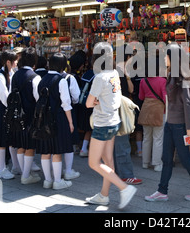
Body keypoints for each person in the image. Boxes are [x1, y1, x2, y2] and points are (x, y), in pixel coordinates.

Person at [145, 43, 190, 202]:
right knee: (166, 159)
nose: (164, 59)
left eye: (166, 56)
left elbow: (187, 102)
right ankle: (162, 191)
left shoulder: (181, 75)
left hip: (180, 126)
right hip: (170, 124)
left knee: (185, 159)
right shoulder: (172, 74)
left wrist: (189, 129)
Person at [85, 42, 137, 209]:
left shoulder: (100, 77)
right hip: (114, 121)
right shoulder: (114, 72)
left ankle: (124, 188)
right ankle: (104, 195)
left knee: (93, 163)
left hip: (102, 123)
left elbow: (87, 103)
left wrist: (97, 101)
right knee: (108, 161)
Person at [36, 53, 75, 190]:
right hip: (58, 118)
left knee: (46, 150)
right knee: (57, 151)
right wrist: (70, 122)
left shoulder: (41, 79)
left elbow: (38, 100)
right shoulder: (61, 80)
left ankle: (47, 180)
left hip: (43, 118)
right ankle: (57, 181)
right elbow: (66, 103)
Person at [10, 47, 42, 185]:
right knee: (30, 146)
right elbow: (38, 97)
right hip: (30, 114)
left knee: (20, 145)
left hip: (17, 114)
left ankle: (24, 172)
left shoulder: (15, 75)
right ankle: (25, 175)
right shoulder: (35, 77)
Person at [115, 50, 143, 185]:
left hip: (116, 110)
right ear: (127, 57)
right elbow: (130, 91)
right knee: (122, 143)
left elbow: (131, 90)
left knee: (116, 143)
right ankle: (126, 175)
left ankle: (115, 172)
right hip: (120, 110)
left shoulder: (118, 71)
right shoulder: (118, 72)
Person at [0, 50, 20, 179]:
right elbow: (5, 98)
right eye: (15, 61)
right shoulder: (0, 76)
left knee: (12, 139)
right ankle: (2, 169)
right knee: (2, 140)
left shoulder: (12, 73)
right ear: (8, 62)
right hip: (4, 110)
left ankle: (15, 166)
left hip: (11, 110)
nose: (16, 63)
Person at [138, 57, 166, 172]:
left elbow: (141, 97)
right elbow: (165, 97)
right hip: (158, 111)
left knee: (146, 137)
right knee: (158, 138)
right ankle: (157, 163)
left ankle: (145, 162)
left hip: (146, 109)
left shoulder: (143, 81)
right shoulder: (162, 81)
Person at [60, 53, 81, 181]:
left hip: (51, 113)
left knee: (54, 143)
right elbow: (76, 97)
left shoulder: (46, 77)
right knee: (68, 142)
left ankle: (53, 172)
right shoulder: (69, 78)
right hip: (67, 112)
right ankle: (68, 170)